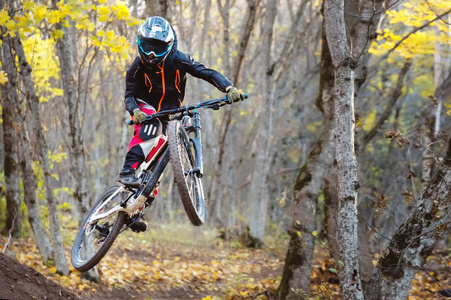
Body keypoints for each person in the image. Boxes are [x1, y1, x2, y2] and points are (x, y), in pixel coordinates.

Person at [117, 16, 245, 231]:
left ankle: (138, 208)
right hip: (145, 108)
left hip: (170, 111)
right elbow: (129, 95)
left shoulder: (179, 59)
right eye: (147, 46)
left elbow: (206, 72)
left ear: (168, 46)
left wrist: (228, 89)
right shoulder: (137, 67)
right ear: (140, 43)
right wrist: (135, 111)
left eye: (157, 48)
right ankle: (127, 171)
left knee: (159, 162)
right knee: (152, 129)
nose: (150, 54)